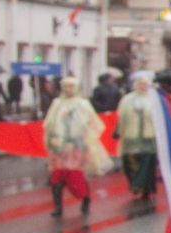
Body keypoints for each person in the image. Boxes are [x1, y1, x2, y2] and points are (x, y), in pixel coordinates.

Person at [42, 75, 114, 217]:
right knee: (57, 177)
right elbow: (49, 123)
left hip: (77, 146)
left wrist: (86, 138)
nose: (69, 89)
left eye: (71, 86)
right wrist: (51, 139)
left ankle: (85, 199)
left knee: (76, 175)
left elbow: (94, 123)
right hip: (60, 146)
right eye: (66, 86)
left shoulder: (83, 104)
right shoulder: (57, 103)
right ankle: (58, 207)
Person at [116, 71, 160, 202]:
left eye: (145, 84)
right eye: (140, 84)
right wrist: (118, 130)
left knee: (147, 163)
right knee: (130, 161)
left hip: (149, 136)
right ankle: (135, 183)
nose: (143, 86)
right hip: (131, 136)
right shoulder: (127, 99)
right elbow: (121, 116)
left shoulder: (154, 100)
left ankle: (142, 186)